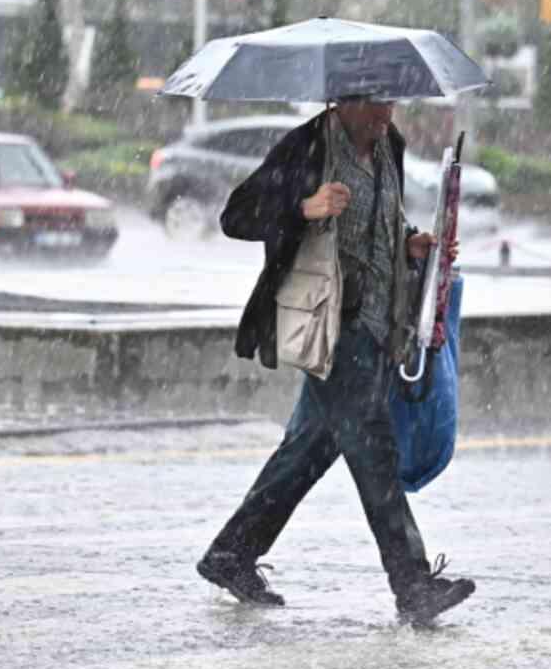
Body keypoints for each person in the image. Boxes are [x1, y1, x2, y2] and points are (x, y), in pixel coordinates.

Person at [196, 96, 476, 624]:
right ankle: (412, 585)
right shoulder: (307, 146)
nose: (385, 116)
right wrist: (305, 206)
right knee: (373, 451)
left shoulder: (387, 146)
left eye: (389, 104)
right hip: (331, 324)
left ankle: (230, 554)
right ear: (342, 102)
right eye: (373, 106)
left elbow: (381, 223)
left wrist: (411, 244)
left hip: (375, 326)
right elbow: (237, 215)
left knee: (308, 449)